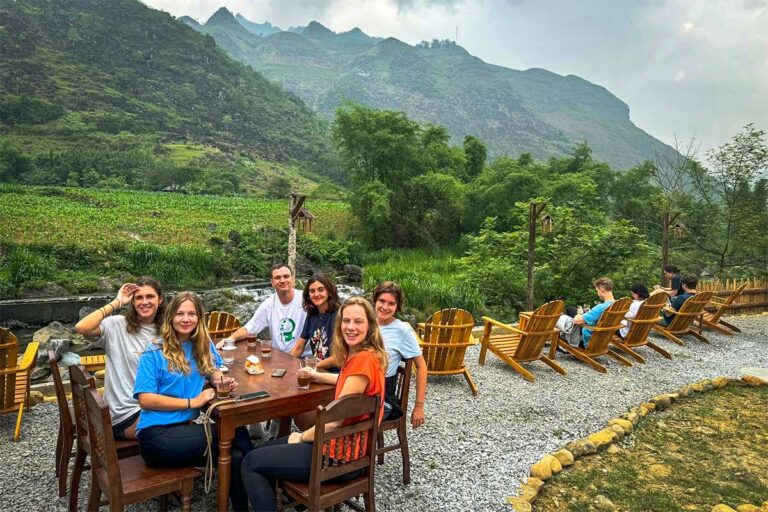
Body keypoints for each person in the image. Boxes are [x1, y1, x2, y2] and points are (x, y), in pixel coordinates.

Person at [240, 297, 387, 512]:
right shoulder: (367, 356)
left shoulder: (361, 361)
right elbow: (349, 382)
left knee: (250, 463)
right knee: (269, 448)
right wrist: (318, 376)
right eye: (346, 321)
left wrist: (301, 436)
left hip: (337, 456)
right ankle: (294, 504)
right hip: (352, 448)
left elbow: (335, 423)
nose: (351, 327)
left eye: (358, 321)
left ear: (370, 326)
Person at [133, 291, 253, 512]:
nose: (185, 319)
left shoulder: (202, 343)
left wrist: (218, 380)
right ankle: (262, 485)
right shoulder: (154, 351)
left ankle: (244, 505)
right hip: (155, 436)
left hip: (182, 431)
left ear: (199, 317)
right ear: (170, 317)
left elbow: (213, 369)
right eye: (179, 313)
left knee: (237, 453)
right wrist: (192, 402)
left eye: (191, 313)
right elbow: (145, 399)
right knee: (237, 434)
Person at [74, 277, 164, 441]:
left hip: (154, 405)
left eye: (150, 296)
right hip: (125, 413)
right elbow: (82, 327)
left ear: (160, 299)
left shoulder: (167, 331)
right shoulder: (117, 325)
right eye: (139, 297)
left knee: (186, 419)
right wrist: (117, 302)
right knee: (181, 426)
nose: (144, 302)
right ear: (133, 302)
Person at [372, 281, 428, 428]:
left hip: (383, 399)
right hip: (361, 391)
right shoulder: (366, 323)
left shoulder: (402, 330)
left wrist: (419, 407)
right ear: (375, 300)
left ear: (397, 306)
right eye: (382, 301)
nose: (385, 307)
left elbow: (421, 367)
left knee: (339, 418)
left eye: (391, 303)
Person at [218, 263, 307, 356]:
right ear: (272, 283)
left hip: (304, 358)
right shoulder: (268, 304)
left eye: (286, 276)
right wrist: (229, 339)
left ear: (292, 279)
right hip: (280, 357)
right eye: (277, 277)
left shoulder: (305, 299)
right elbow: (249, 329)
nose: (282, 280)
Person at [289, 273, 340, 370]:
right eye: (312, 291)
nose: (316, 294)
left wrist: (312, 366)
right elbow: (300, 346)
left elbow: (338, 356)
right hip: (317, 370)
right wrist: (287, 363)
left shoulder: (338, 315)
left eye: (321, 290)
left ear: (329, 291)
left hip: (335, 374)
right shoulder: (312, 315)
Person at [557, 277, 616, 348]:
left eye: (597, 291)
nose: (597, 293)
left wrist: (579, 314)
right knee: (571, 310)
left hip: (588, 341)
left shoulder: (601, 307)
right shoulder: (616, 305)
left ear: (602, 290)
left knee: (561, 318)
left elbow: (576, 321)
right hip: (602, 341)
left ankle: (561, 347)